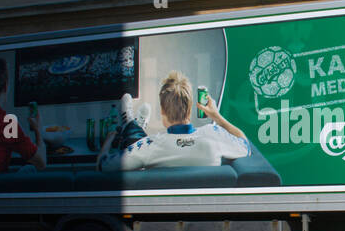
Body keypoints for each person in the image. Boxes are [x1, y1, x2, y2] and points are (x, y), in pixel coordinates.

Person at [99, 70, 249, 170]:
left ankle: (129, 122)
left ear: (162, 111)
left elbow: (103, 165)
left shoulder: (150, 145)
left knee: (136, 138)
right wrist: (216, 116)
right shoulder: (214, 134)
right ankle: (134, 124)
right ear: (190, 108)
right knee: (137, 138)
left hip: (148, 156)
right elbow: (245, 144)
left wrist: (109, 139)